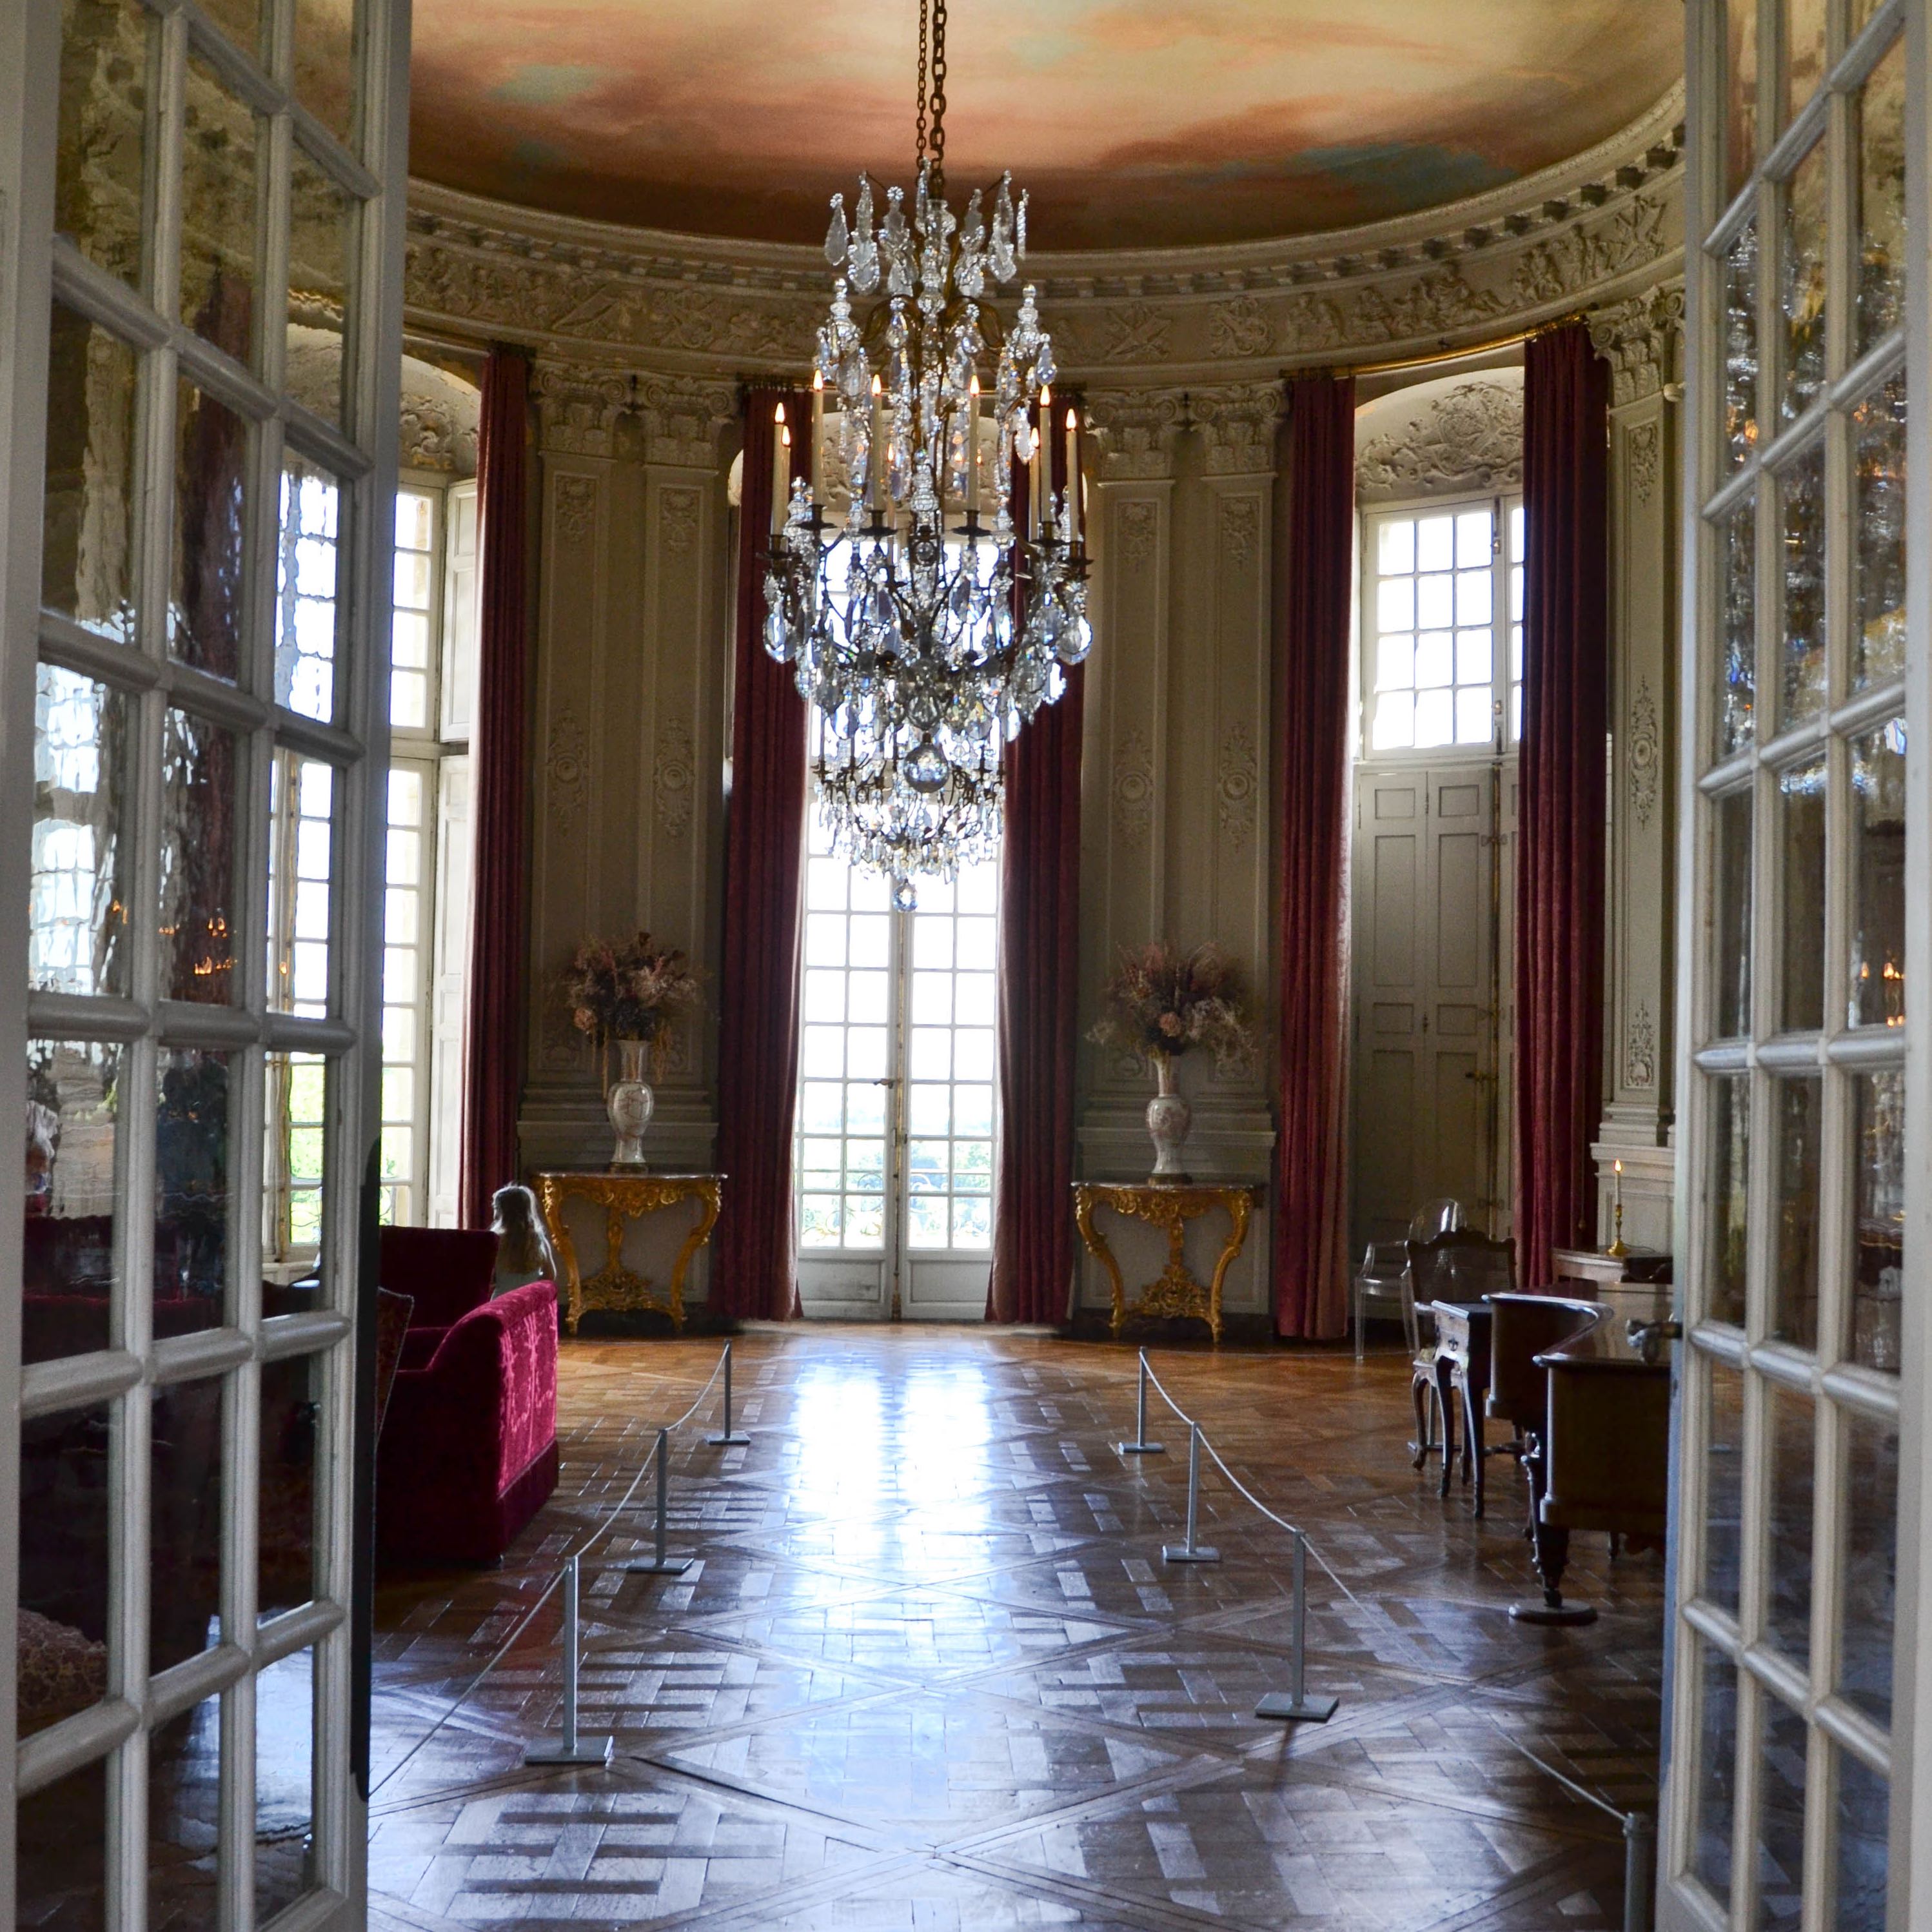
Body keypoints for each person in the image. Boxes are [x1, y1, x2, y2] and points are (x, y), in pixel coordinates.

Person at [491, 1185, 558, 1298]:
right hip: (527, 1300)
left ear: (503, 1212)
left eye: (496, 1208)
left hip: (501, 1300)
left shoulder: (495, 1239)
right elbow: (550, 1275)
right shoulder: (538, 1239)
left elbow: (489, 1277)